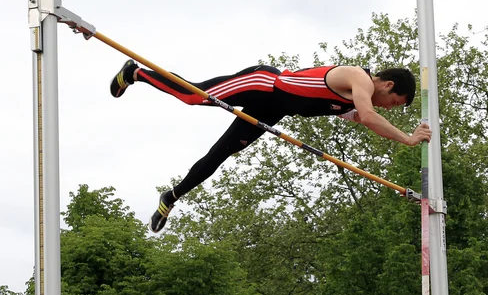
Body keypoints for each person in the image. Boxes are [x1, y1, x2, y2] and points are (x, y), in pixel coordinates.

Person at [110, 60, 432, 233]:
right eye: (394, 102)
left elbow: (366, 119)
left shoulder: (354, 101)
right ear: (388, 85)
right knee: (194, 95)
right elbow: (370, 115)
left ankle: (172, 196)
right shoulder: (359, 79)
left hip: (272, 109)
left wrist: (406, 134)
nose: (389, 108)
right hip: (262, 85)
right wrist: (407, 138)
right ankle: (135, 73)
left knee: (220, 154)